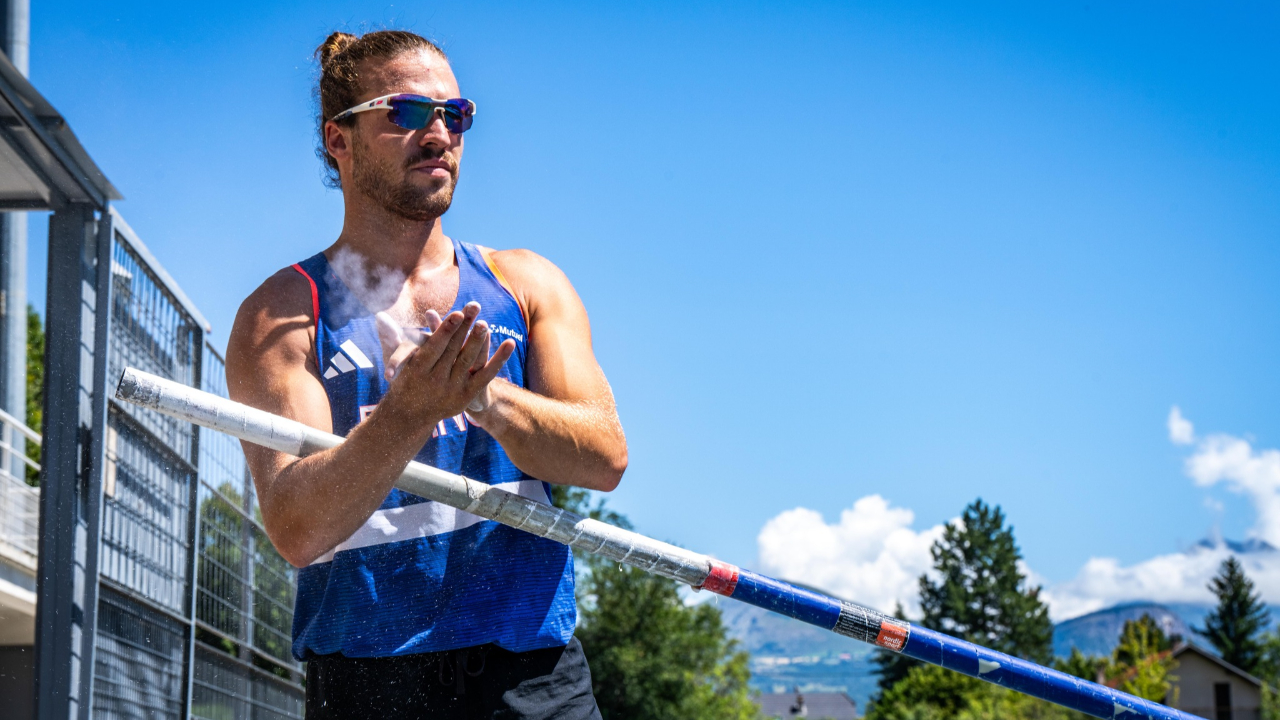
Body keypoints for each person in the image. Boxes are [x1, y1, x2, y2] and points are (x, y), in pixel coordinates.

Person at [225, 29, 626, 719]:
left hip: (532, 672)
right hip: (369, 680)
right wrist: (406, 414)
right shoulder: (284, 313)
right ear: (339, 140)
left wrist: (488, 399)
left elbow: (604, 458)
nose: (439, 132)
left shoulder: (525, 283)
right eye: (408, 112)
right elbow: (298, 527)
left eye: (456, 114)